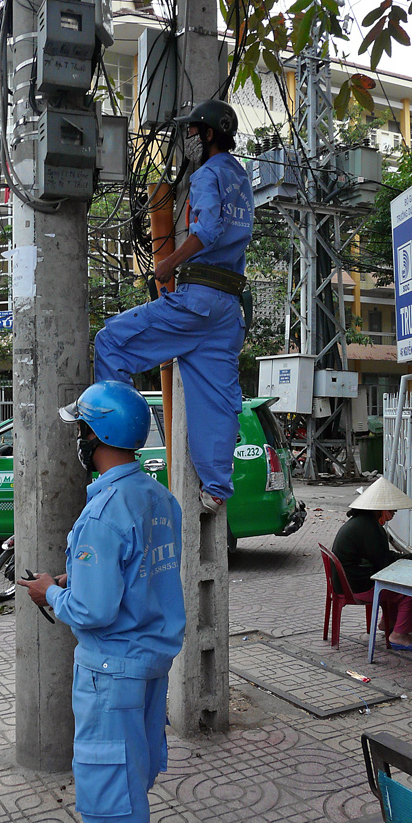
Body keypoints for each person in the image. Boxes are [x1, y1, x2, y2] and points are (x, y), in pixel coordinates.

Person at [18, 380, 186, 823]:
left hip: (111, 669)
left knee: (106, 778)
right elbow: (138, 577)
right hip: (152, 660)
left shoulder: (103, 511)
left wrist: (51, 593)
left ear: (96, 436)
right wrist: (76, 581)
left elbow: (94, 611)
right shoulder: (158, 497)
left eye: (81, 430)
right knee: (135, 763)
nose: (79, 440)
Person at [94, 99, 254, 514]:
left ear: (209, 134)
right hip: (228, 310)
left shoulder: (206, 175)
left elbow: (209, 230)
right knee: (215, 399)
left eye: (193, 132)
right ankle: (215, 490)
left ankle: (117, 455)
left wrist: (168, 262)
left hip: (198, 299)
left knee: (111, 341)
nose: (189, 139)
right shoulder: (241, 177)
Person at [332, 477, 412, 651]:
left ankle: (387, 623)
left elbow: (383, 557)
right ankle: (399, 635)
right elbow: (385, 562)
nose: (394, 512)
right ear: (381, 508)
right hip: (358, 586)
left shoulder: (362, 522)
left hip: (349, 582)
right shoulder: (368, 527)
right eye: (392, 509)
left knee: (401, 581)